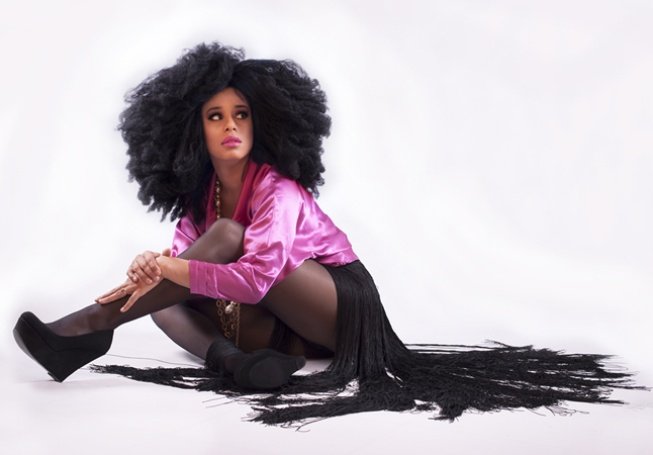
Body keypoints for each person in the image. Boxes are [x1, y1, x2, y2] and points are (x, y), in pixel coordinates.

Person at [13, 42, 638, 426]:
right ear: (192, 131)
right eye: (214, 116)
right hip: (277, 326)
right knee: (164, 304)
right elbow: (185, 273)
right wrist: (155, 269)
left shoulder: (278, 191)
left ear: (262, 122)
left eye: (241, 114)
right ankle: (233, 363)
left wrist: (171, 270)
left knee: (222, 239)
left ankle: (90, 328)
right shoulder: (198, 204)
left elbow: (254, 277)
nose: (230, 126)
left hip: (337, 307)